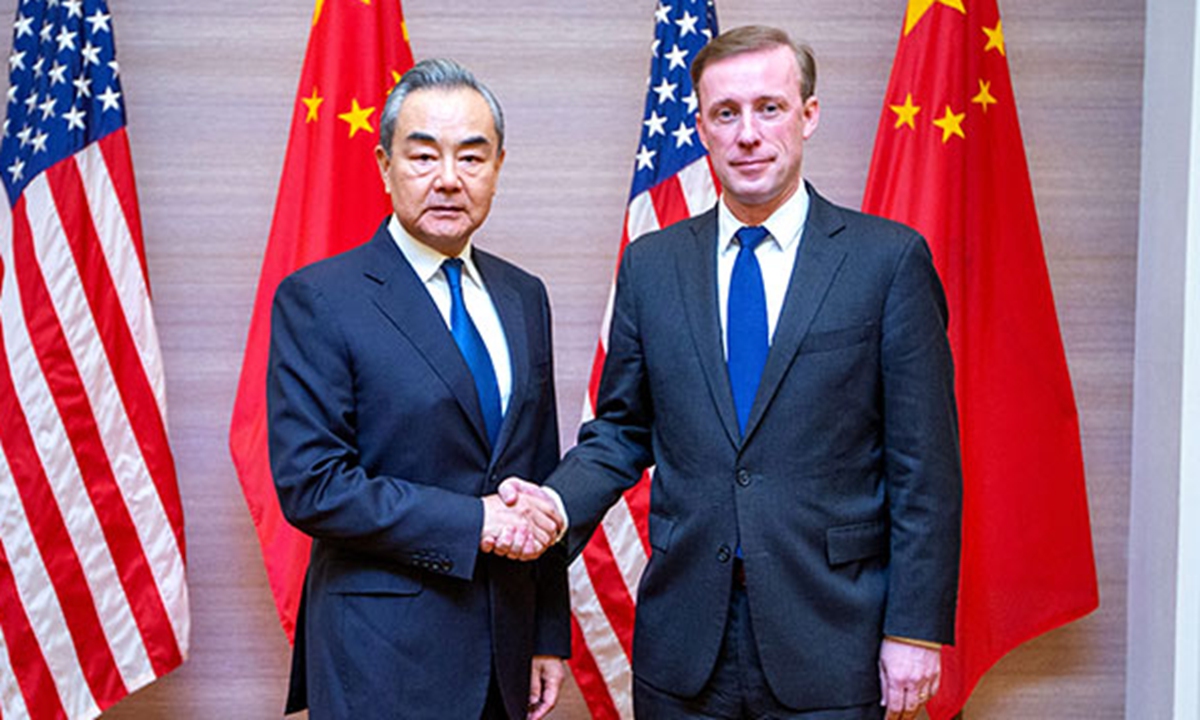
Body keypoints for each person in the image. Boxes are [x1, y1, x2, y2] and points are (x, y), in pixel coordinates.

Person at [499, 25, 962, 720]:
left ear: (808, 115)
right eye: (726, 113)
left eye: (769, 108)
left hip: (833, 637)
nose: (748, 134)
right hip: (685, 645)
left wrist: (914, 629)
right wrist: (554, 507)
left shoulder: (886, 263)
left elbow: (924, 465)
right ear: (702, 128)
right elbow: (622, 430)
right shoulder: (653, 265)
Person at [267, 58, 569, 720]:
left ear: (498, 167)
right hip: (379, 658)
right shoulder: (320, 298)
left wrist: (547, 633)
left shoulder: (525, 297)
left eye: (471, 157)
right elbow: (312, 485)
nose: (448, 180)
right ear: (384, 165)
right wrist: (475, 521)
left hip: (505, 648)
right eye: (423, 155)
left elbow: (536, 474)